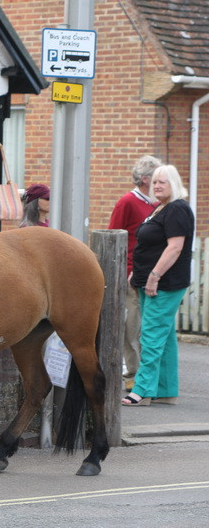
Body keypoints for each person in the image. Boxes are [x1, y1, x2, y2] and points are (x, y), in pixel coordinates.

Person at [122, 165, 194, 406]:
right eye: (154, 182)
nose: (158, 186)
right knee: (164, 337)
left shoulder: (177, 209)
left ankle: (142, 390)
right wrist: (137, 274)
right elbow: (149, 245)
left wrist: (154, 276)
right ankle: (165, 389)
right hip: (147, 281)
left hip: (164, 283)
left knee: (151, 336)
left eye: (163, 181)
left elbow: (175, 247)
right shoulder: (159, 209)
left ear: (174, 183)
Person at [108, 155, 162, 392]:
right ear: (144, 179)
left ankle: (147, 374)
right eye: (157, 178)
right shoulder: (127, 202)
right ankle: (133, 373)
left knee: (147, 326)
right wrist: (126, 270)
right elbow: (114, 236)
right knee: (132, 325)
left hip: (153, 273)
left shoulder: (156, 203)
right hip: (132, 273)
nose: (161, 182)